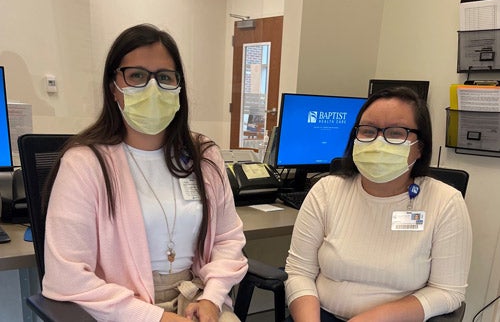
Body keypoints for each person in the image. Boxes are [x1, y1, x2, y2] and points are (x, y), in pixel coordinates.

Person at [41, 23, 248, 322]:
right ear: (114, 87)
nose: (152, 88)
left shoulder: (204, 156)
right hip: (120, 309)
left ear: (178, 88)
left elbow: (228, 239)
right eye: (136, 75)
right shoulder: (84, 163)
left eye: (164, 77)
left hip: (196, 300)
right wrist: (156, 318)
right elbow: (66, 275)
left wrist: (213, 299)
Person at [284, 87, 472, 322]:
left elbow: (448, 292)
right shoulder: (326, 191)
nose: (378, 141)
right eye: (368, 131)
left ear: (420, 147)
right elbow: (299, 272)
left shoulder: (445, 202)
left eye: (395, 133)